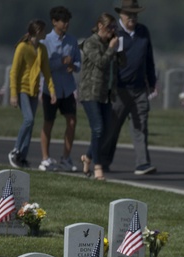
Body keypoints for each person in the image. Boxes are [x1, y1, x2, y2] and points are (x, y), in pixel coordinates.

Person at [102, 0, 158, 176]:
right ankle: (102, 161)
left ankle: (142, 163)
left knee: (140, 126)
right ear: (121, 15)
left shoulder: (143, 32)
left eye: (135, 14)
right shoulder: (113, 33)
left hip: (139, 88)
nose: (132, 18)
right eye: (129, 15)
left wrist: (152, 80)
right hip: (118, 89)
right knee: (111, 128)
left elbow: (148, 58)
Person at [8, 19, 56, 169]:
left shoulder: (42, 49)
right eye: (43, 31)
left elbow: (46, 72)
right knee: (28, 120)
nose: (45, 34)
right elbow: (14, 71)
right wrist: (13, 94)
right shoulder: (23, 47)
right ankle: (15, 150)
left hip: (34, 91)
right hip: (22, 89)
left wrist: (52, 91)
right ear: (37, 32)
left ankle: (22, 156)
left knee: (31, 123)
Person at [39, 6, 81, 172]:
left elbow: (78, 63)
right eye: (63, 21)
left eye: (68, 21)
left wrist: (72, 65)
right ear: (54, 22)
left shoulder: (72, 40)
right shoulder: (45, 41)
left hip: (68, 88)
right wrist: (61, 62)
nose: (66, 24)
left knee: (72, 121)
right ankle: (45, 158)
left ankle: (66, 157)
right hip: (51, 89)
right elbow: (44, 66)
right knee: (48, 122)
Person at [79, 13, 120, 180]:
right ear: (101, 26)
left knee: (106, 131)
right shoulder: (91, 43)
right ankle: (98, 167)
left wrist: (118, 50)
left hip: (106, 93)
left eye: (114, 28)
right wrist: (111, 48)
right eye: (110, 27)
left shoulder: (109, 44)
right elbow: (101, 62)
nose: (112, 31)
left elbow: (119, 64)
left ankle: (88, 157)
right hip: (90, 92)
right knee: (98, 128)